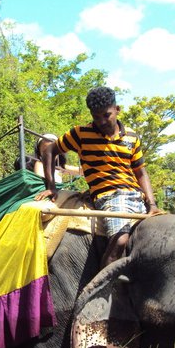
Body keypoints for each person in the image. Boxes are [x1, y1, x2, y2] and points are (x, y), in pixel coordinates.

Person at [35, 86, 161, 267]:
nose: (101, 121)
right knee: (120, 240)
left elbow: (140, 172)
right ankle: (99, 290)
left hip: (136, 196)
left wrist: (152, 204)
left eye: (106, 115)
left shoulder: (132, 137)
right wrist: (51, 186)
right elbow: (50, 150)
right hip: (109, 196)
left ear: (117, 110)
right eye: (96, 116)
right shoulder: (80, 134)